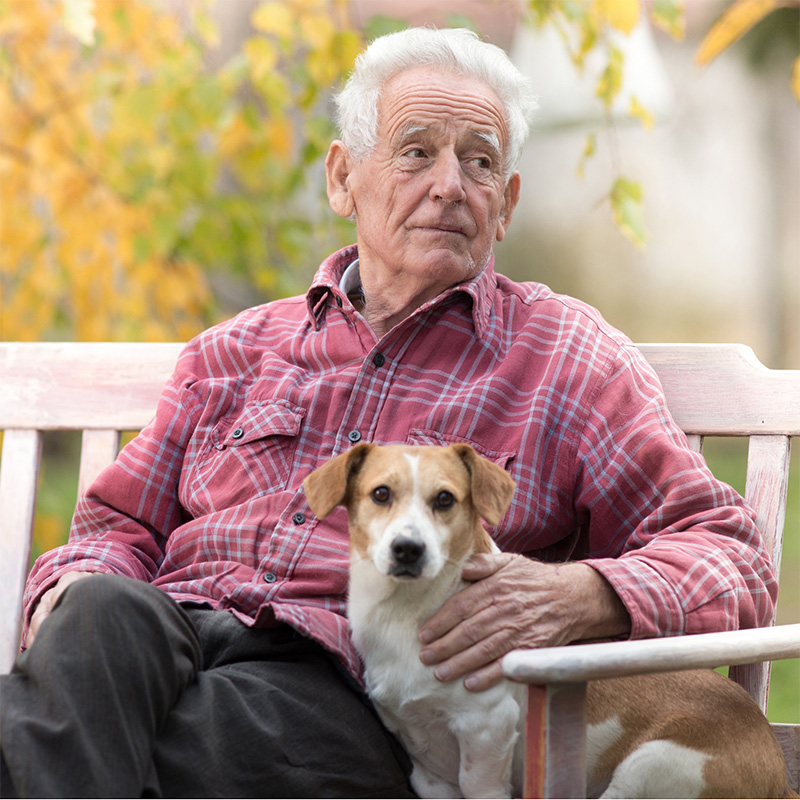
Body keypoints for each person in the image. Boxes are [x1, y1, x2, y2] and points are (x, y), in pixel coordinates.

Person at [0, 27, 776, 798]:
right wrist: (76, 599)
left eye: (479, 161)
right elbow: (115, 531)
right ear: (344, 180)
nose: (448, 185)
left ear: (504, 205)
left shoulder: (565, 358)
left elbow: (728, 554)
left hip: (341, 679)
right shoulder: (233, 350)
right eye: (415, 152)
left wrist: (582, 595)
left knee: (112, 741)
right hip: (165, 638)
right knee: (100, 614)